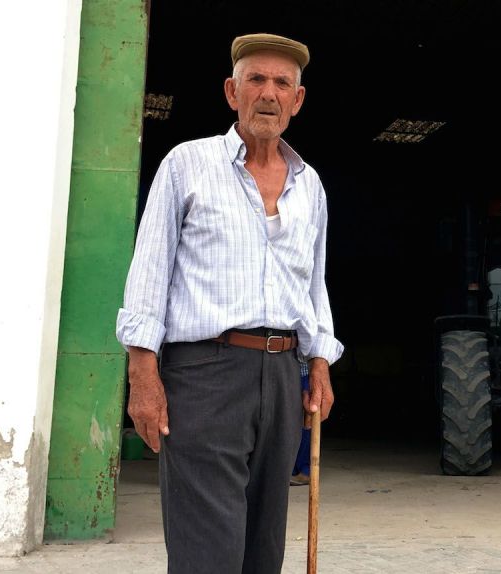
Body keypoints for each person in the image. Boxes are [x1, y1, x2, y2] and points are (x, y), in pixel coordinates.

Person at [115, 32, 342, 573]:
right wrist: (142, 375)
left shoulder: (310, 185)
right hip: (205, 374)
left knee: (263, 547)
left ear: (297, 100)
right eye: (255, 79)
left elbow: (314, 284)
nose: (268, 93)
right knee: (207, 551)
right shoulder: (187, 164)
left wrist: (319, 361)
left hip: (283, 376)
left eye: (281, 83)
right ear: (231, 92)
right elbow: (149, 271)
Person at [290, 366, 311, 486]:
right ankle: (291, 469)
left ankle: (305, 471)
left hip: (304, 374)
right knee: (289, 423)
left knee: (306, 422)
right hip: (289, 373)